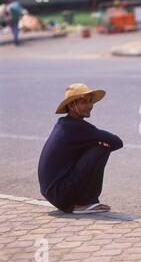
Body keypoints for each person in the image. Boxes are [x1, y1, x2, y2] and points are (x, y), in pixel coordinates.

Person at [38, 83, 123, 214]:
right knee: (101, 148)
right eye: (84, 102)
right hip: (61, 194)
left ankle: (82, 201)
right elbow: (117, 142)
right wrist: (100, 143)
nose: (90, 106)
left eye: (90, 101)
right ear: (72, 106)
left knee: (96, 145)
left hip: (54, 193)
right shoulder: (77, 127)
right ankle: (85, 203)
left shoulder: (65, 123)